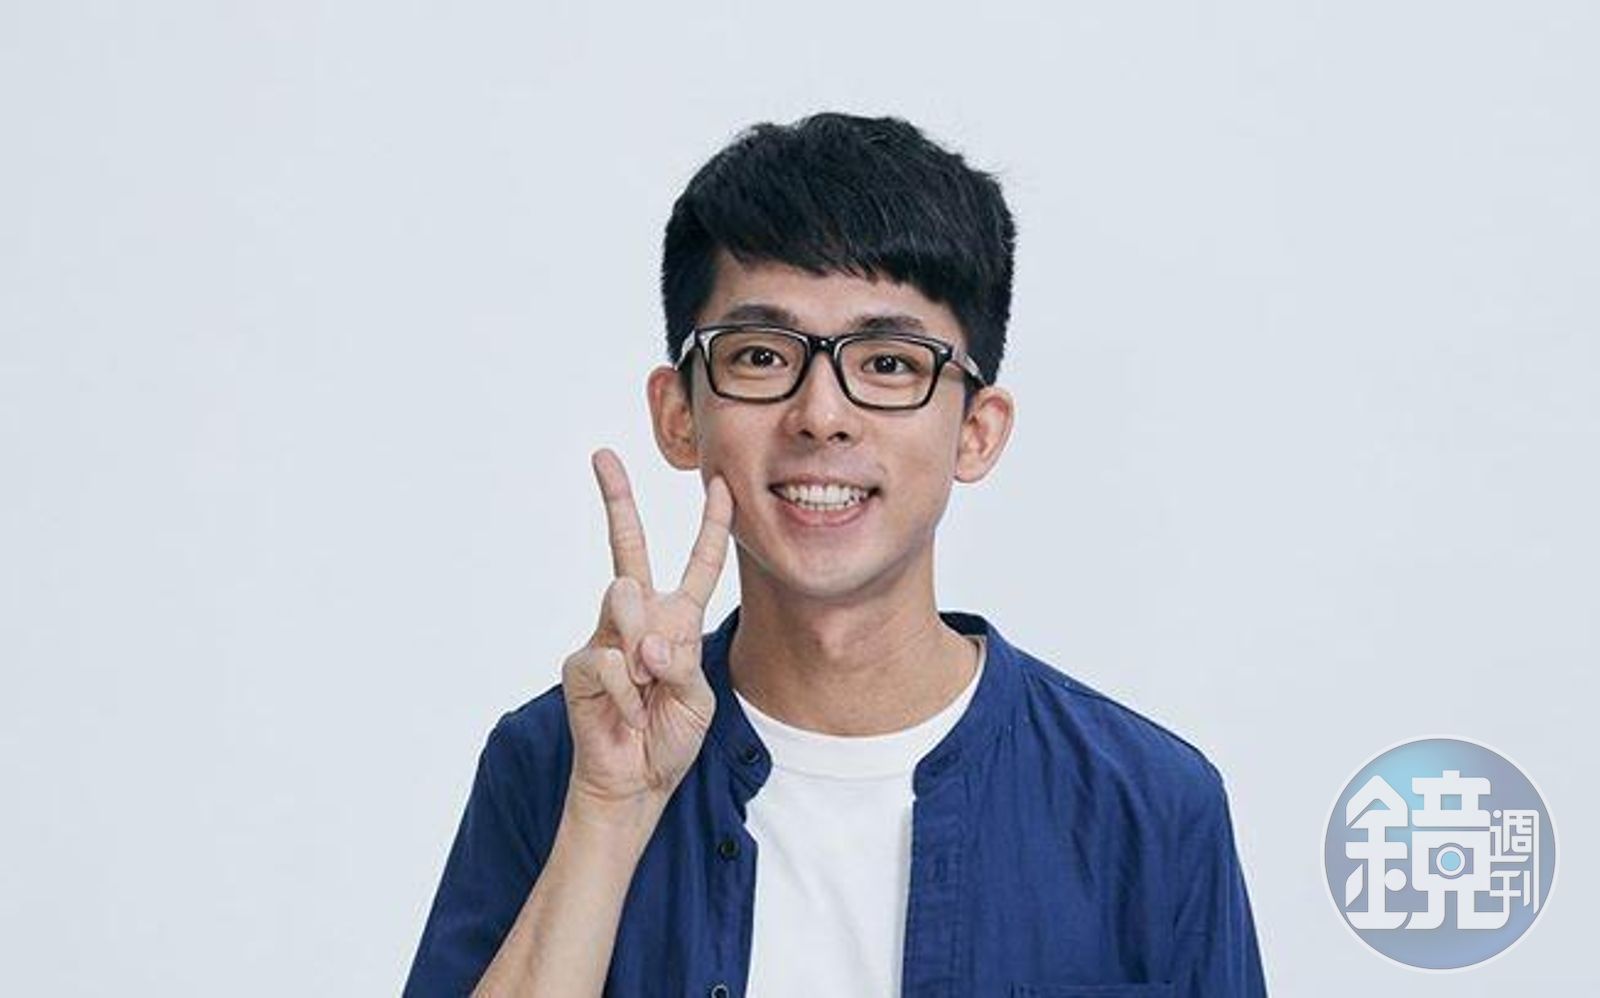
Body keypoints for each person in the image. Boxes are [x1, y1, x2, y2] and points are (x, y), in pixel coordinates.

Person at [403, 112, 1268, 997]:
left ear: (977, 430)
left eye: (890, 364)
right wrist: (608, 813)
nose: (821, 415)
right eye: (761, 355)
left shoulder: (1149, 807)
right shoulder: (561, 761)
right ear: (680, 415)